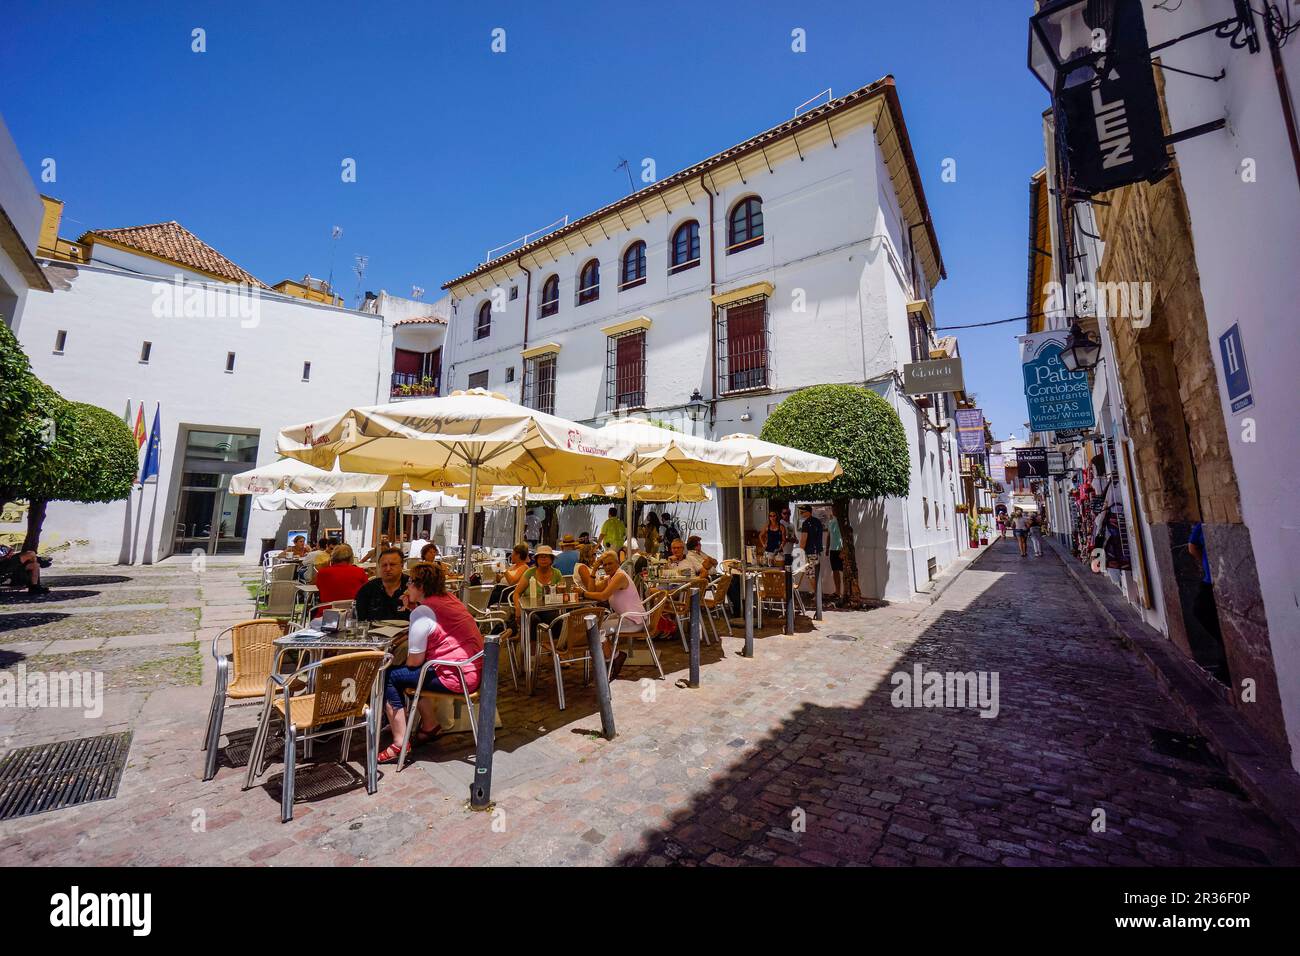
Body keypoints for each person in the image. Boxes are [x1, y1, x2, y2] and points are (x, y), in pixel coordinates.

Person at [377, 562, 484, 764]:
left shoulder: (423, 613)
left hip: (456, 676)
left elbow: (414, 662)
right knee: (415, 676)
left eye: (409, 582)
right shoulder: (449, 598)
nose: (406, 586)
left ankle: (400, 741)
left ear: (421, 587)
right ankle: (430, 725)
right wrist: (415, 608)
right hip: (473, 668)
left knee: (390, 676)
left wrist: (415, 612)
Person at [581, 550, 647, 680]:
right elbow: (592, 590)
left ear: (618, 563)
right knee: (597, 627)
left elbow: (602, 596)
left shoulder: (620, 577)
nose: (607, 567)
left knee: (598, 631)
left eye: (610, 563)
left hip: (634, 620)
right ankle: (614, 658)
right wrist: (594, 570)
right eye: (604, 565)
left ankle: (610, 662)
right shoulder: (611, 578)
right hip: (624, 617)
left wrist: (582, 594)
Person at [354, 547, 410, 621]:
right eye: (384, 565)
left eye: (392, 565)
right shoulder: (367, 590)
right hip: (374, 631)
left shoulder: (414, 587)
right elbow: (359, 619)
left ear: (402, 566)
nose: (388, 569)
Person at [312, 543, 369, 616]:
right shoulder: (360, 571)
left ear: (333, 557)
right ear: (351, 557)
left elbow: (318, 587)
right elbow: (365, 591)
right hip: (353, 615)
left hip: (327, 616)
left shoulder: (323, 573)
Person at [825, 509, 844, 604]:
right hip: (833, 550)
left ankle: (846, 592)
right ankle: (837, 591)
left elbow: (845, 536)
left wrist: (843, 550)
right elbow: (828, 536)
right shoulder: (831, 522)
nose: (834, 511)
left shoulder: (842, 522)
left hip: (840, 550)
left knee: (844, 571)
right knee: (835, 571)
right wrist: (827, 548)